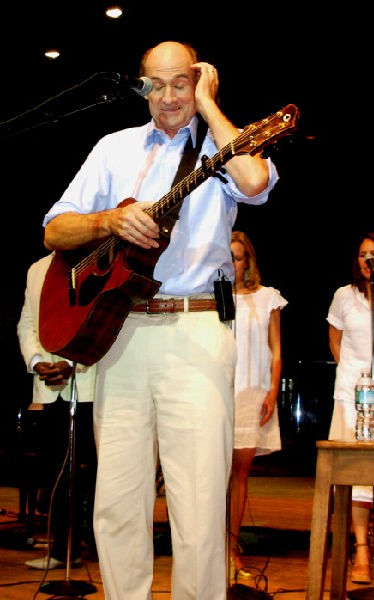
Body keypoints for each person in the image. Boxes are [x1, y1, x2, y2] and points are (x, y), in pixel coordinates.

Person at [41, 40, 279, 599]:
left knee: (198, 504)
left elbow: (254, 183)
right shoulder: (114, 148)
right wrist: (107, 221)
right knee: (117, 500)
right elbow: (55, 230)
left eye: (181, 83)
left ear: (198, 82)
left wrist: (211, 106)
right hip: (121, 331)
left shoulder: (220, 146)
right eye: (156, 85)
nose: (169, 97)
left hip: (196, 328)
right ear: (141, 87)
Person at [17, 252, 97, 569]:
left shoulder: (98, 260)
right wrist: (38, 362)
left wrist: (72, 363)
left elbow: (101, 321)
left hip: (89, 385)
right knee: (56, 470)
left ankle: (94, 543)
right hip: (49, 385)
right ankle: (63, 549)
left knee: (91, 471)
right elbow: (27, 322)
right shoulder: (37, 269)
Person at [327, 231, 374, 585]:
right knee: (355, 473)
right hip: (353, 394)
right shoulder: (345, 296)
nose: (368, 259)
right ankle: (362, 551)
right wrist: (350, 371)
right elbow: (335, 338)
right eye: (362, 254)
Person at [228, 231, 287, 580]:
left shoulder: (268, 298)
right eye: (228, 258)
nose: (233, 264)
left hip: (253, 392)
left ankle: (232, 549)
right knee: (212, 475)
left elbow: (276, 350)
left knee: (239, 475)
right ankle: (209, 547)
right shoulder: (215, 297)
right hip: (219, 393)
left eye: (237, 258)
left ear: (247, 261)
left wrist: (273, 391)